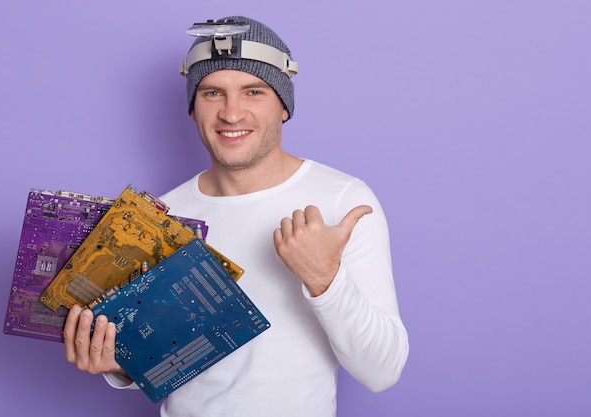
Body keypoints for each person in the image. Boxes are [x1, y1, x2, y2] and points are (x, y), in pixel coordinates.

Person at [63, 15, 409, 417]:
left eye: (253, 91)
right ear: (193, 109)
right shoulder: (161, 217)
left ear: (284, 106)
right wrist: (119, 364)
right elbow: (162, 349)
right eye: (212, 93)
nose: (231, 113)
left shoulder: (341, 201)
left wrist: (325, 279)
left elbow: (382, 373)